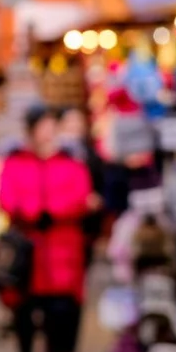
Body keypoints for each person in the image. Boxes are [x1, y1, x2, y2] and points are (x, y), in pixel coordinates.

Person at [0, 105, 93, 352]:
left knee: (60, 311)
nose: (49, 132)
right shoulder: (15, 163)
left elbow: (80, 195)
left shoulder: (71, 163)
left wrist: (54, 212)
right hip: (28, 250)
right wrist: (30, 213)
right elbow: (6, 196)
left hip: (62, 248)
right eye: (44, 125)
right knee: (25, 311)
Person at [58, 106, 106, 267]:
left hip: (88, 215)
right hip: (65, 212)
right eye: (70, 120)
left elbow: (99, 177)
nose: (76, 125)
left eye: (79, 120)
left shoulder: (89, 151)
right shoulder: (58, 152)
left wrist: (97, 196)